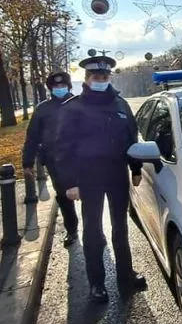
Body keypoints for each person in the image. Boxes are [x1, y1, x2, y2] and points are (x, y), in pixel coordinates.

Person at [54, 54, 146, 303]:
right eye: (96, 77)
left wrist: (135, 168)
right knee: (93, 230)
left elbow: (131, 139)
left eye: (105, 77)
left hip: (117, 174)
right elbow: (63, 148)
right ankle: (97, 283)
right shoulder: (73, 108)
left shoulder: (121, 104)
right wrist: (70, 183)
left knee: (120, 228)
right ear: (86, 79)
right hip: (88, 177)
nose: (101, 80)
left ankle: (125, 276)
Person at [22, 71, 79, 247]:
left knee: (90, 195)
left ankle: (95, 232)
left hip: (81, 160)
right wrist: (27, 162)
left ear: (69, 86)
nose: (59, 89)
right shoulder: (43, 109)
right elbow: (32, 137)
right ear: (50, 89)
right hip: (56, 163)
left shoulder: (80, 104)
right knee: (63, 197)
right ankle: (72, 230)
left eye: (63, 86)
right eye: (56, 87)